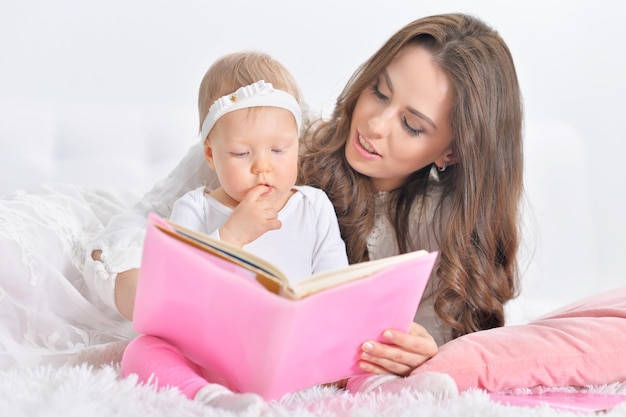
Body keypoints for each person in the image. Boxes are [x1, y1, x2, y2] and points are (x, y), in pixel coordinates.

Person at [86, 12, 522, 383]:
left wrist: (422, 353)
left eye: (411, 125)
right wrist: (147, 292)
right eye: (379, 92)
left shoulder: (442, 228)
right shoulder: (269, 137)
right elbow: (132, 232)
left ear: (452, 150)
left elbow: (437, 338)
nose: (374, 124)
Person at [119, 51, 349, 411]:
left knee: (365, 342)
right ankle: (209, 396)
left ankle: (384, 387)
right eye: (242, 153)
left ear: (297, 144)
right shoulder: (194, 207)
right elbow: (179, 289)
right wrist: (231, 235)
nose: (263, 167)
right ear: (211, 155)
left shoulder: (313, 205)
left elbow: (335, 281)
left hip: (295, 349)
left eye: (278, 149)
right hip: (216, 353)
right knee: (141, 350)